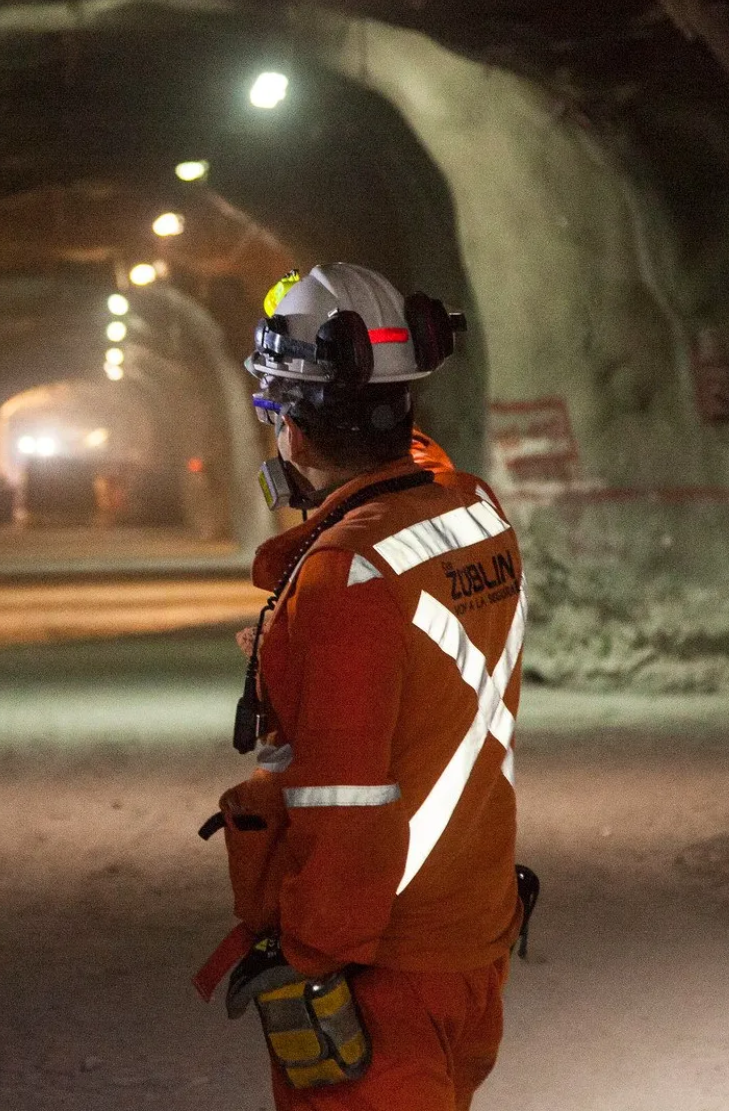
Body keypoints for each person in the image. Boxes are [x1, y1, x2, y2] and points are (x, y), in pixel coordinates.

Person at [194, 264, 528, 1110]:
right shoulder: (473, 511)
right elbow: (410, 470)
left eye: (272, 412)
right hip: (473, 930)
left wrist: (305, 958)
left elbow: (347, 803)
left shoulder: (349, 573)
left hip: (386, 964)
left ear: (293, 430)